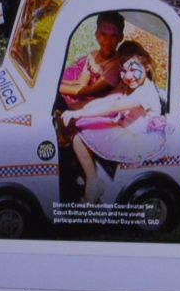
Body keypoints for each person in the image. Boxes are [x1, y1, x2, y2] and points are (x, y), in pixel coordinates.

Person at [60, 40, 167, 203]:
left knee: (79, 134)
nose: (128, 76)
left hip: (136, 139)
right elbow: (106, 100)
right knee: (82, 125)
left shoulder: (145, 93)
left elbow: (113, 107)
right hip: (123, 127)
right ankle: (87, 174)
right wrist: (81, 110)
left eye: (133, 70)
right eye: (123, 71)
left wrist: (80, 113)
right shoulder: (128, 85)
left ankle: (93, 182)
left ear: (146, 67)